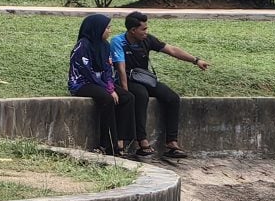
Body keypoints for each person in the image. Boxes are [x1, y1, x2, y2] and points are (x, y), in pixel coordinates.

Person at [111, 11, 209, 160]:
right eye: (143, 29)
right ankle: (142, 142)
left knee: (172, 98)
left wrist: (196, 60)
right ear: (132, 30)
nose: (146, 32)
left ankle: (172, 143)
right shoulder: (118, 41)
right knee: (141, 95)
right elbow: (120, 68)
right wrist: (125, 91)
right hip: (126, 79)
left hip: (144, 78)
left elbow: (172, 50)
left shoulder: (147, 40)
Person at [67, 14, 134, 157]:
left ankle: (120, 140)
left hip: (101, 83)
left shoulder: (105, 46)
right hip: (82, 83)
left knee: (127, 97)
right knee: (107, 99)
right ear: (97, 29)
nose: (110, 31)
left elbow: (107, 70)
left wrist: (110, 86)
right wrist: (108, 90)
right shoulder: (82, 45)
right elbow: (87, 72)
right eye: (107, 28)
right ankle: (107, 144)